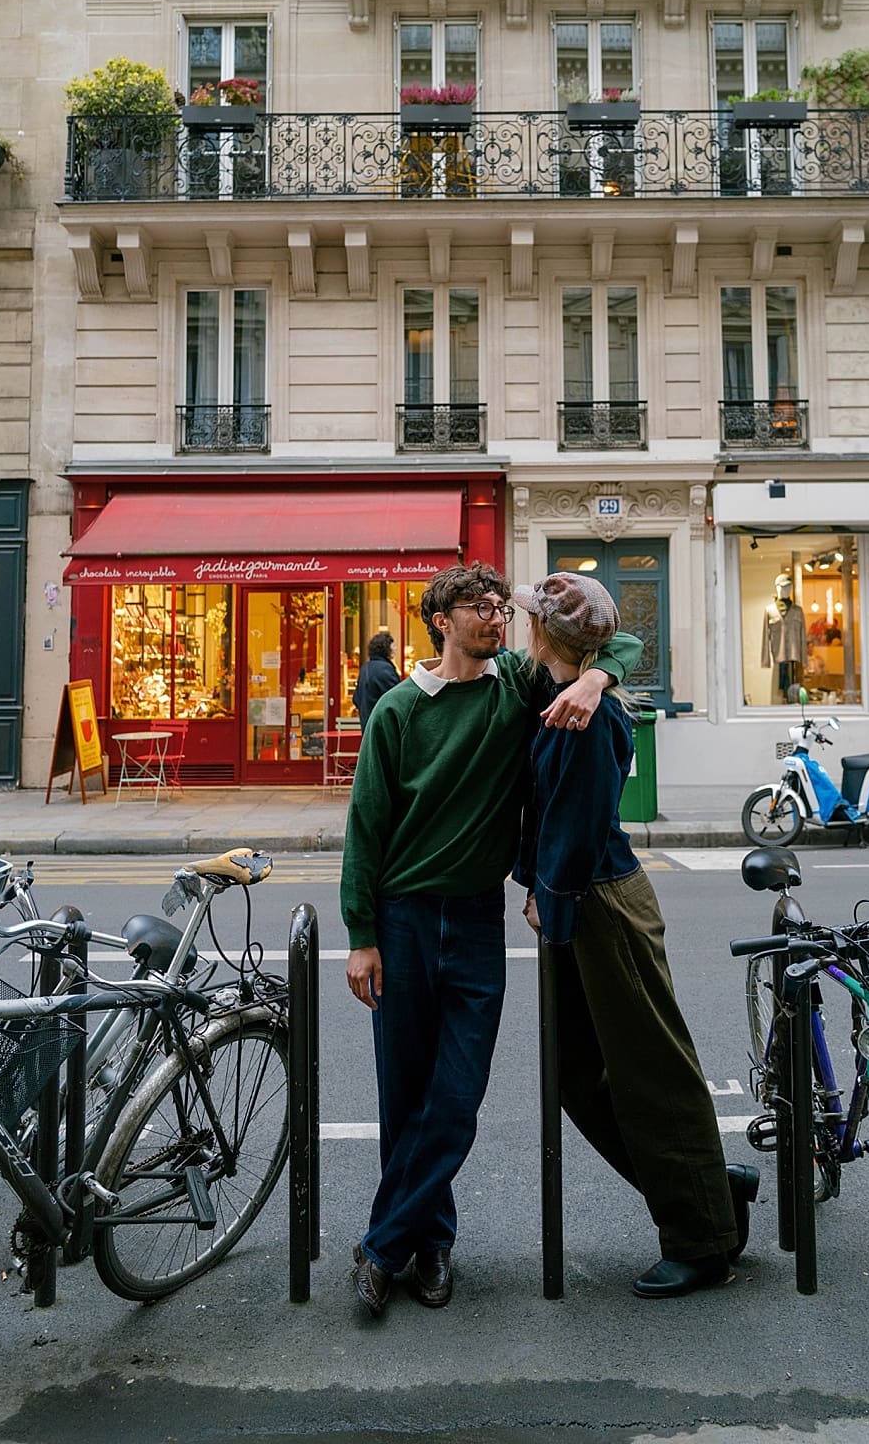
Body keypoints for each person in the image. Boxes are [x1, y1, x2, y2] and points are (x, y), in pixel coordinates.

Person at [340, 561, 643, 1318]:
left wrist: (594, 681)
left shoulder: (517, 683)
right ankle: (428, 1241)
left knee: (458, 1095)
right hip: (405, 917)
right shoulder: (401, 710)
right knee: (404, 1094)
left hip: (476, 917)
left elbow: (620, 640)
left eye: (499, 607)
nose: (495, 618)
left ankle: (380, 1247)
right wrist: (361, 935)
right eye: (476, 607)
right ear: (440, 621)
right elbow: (365, 829)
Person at [512, 575, 757, 1299]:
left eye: (531, 621)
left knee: (653, 1073)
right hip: (581, 898)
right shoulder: (554, 690)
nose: (522, 629)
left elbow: (578, 828)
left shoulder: (589, 718)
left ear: (549, 636)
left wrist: (545, 899)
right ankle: (706, 1185)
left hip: (601, 901)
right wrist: (594, 674)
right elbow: (621, 640)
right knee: (575, 1076)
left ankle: (701, 1238)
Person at [351, 630, 400, 732]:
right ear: (386, 648)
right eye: (393, 646)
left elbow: (356, 698)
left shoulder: (366, 668)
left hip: (367, 726)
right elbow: (397, 699)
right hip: (383, 727)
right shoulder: (385, 669)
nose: (396, 649)